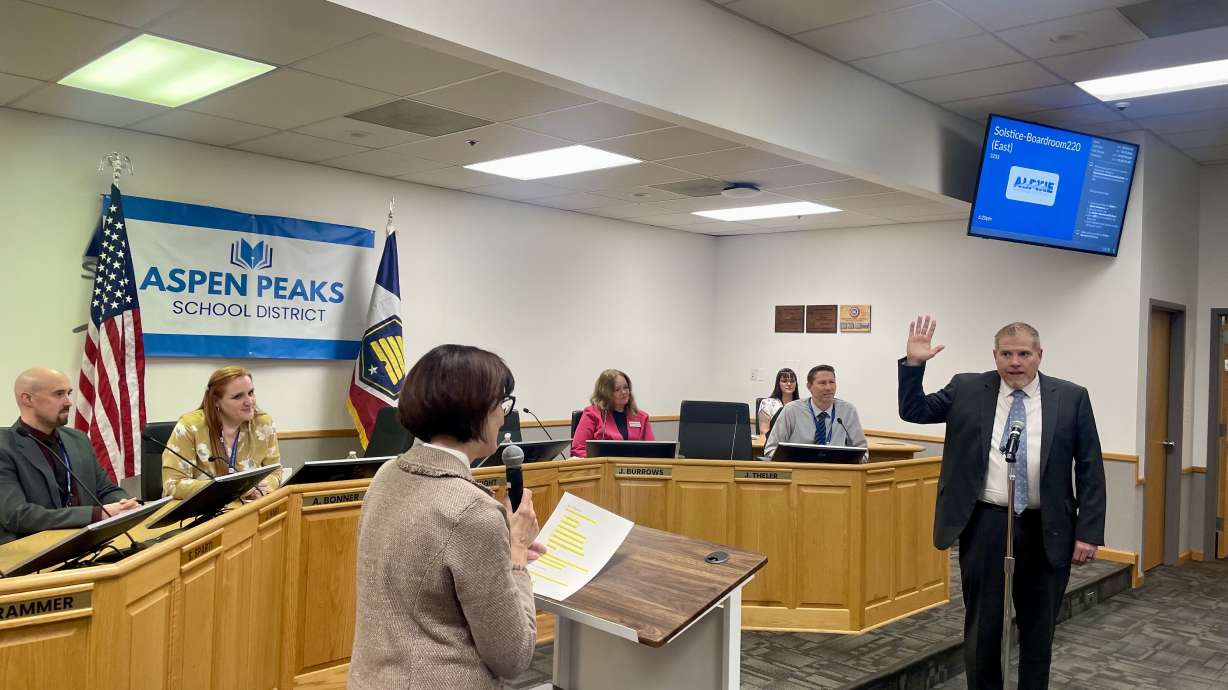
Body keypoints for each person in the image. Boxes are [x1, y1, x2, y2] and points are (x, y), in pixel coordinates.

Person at [898, 316, 1106, 690]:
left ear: (1039, 355)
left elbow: (1090, 466)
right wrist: (914, 364)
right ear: (994, 355)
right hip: (986, 523)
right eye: (1007, 354)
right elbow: (914, 411)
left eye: (1024, 354)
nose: (1015, 362)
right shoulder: (967, 388)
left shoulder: (1072, 397)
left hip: (1047, 527)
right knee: (984, 626)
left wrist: (1088, 531)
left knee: (1038, 628)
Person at [349, 344, 546, 690]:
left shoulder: (386, 475)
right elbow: (513, 656)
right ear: (475, 411)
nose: (503, 417)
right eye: (501, 404)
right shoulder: (474, 512)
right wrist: (516, 552)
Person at [0, 368, 139, 544]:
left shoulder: (77, 439)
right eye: (59, 394)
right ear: (27, 399)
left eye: (69, 393)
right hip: (34, 549)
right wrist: (98, 514)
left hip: (89, 544)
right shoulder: (5, 447)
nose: (68, 402)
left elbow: (105, 490)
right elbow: (17, 516)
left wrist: (124, 504)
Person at [161, 366, 282, 500]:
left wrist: (262, 487)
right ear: (216, 401)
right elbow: (173, 485)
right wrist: (231, 488)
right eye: (238, 396)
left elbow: (275, 471)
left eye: (251, 393)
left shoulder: (263, 425)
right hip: (203, 509)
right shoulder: (190, 427)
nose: (249, 401)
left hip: (249, 507)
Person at [764, 364, 867, 458]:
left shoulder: (848, 411)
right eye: (822, 383)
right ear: (809, 386)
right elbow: (771, 449)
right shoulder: (791, 410)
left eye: (832, 382)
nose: (828, 388)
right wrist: (794, 460)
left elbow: (863, 452)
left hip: (835, 469)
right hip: (799, 468)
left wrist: (848, 462)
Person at [571, 369, 654, 458]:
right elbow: (578, 449)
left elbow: (652, 450)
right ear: (605, 393)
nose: (624, 392)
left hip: (635, 465)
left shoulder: (641, 417)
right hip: (604, 465)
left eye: (626, 387)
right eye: (617, 389)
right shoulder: (592, 414)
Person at [757, 368, 799, 434]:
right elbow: (764, 432)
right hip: (773, 439)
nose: (789, 384)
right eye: (784, 381)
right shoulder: (767, 403)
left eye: (792, 381)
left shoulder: (801, 405)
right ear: (778, 384)